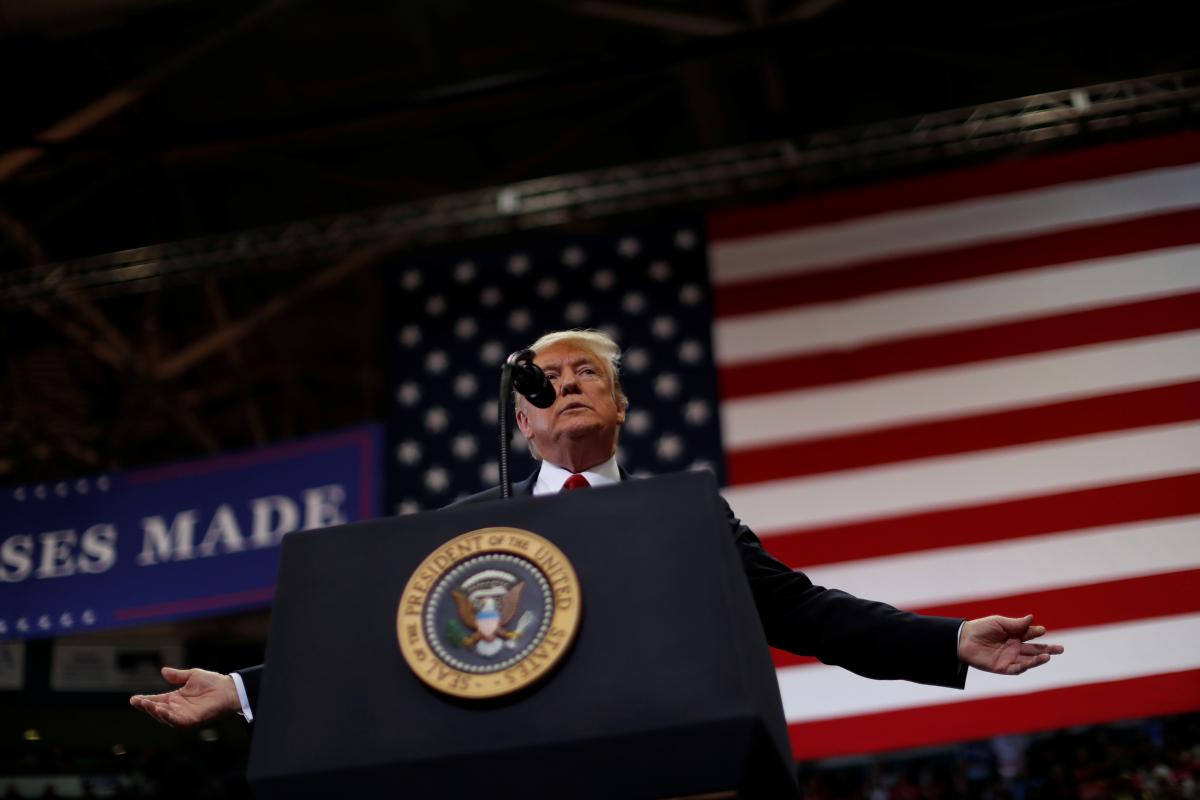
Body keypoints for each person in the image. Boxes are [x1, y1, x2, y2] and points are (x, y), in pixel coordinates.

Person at [130, 329, 1063, 728]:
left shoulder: (684, 514)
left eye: (588, 374)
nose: (567, 382)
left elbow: (806, 615)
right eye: (549, 380)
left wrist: (948, 642)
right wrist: (247, 690)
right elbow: (382, 648)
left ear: (619, 407)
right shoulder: (465, 527)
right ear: (523, 420)